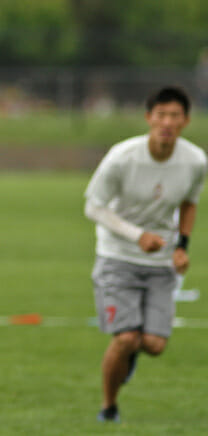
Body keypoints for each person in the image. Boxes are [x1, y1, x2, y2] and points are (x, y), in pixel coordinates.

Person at [84, 86, 206, 422]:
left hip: (160, 261)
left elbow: (189, 203)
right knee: (125, 338)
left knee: (153, 344)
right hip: (117, 257)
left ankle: (132, 352)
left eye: (175, 116)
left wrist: (182, 247)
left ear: (185, 121)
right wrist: (138, 236)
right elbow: (94, 207)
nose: (168, 122)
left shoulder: (195, 160)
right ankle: (109, 408)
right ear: (148, 118)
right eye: (161, 115)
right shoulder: (122, 157)